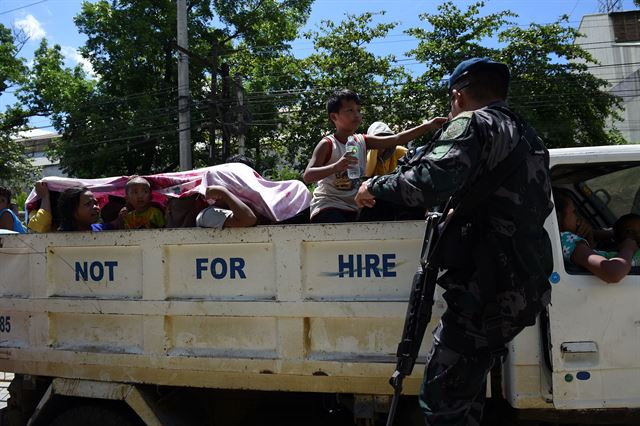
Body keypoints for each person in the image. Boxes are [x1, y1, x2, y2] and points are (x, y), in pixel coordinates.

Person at [356, 57, 554, 425]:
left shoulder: (473, 122)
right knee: (467, 383)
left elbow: (429, 181)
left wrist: (373, 186)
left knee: (442, 396)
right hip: (523, 279)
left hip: (487, 284)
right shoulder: (527, 134)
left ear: (458, 95)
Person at [303, 89, 446, 223]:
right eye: (350, 110)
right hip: (330, 205)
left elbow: (396, 139)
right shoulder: (328, 144)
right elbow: (308, 176)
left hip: (355, 206)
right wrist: (336, 166)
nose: (357, 114)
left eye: (358, 110)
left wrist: (428, 125)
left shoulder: (362, 140)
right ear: (334, 116)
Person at [555, 188, 638, 282]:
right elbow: (612, 273)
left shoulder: (565, 242)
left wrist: (592, 234)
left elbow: (593, 239)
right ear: (557, 217)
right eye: (574, 212)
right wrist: (628, 249)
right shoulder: (565, 240)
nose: (578, 218)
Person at [359, 121, 424, 222]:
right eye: (378, 139)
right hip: (380, 198)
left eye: (385, 138)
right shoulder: (368, 156)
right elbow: (366, 176)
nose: (382, 143)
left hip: (400, 193)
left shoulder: (401, 151)